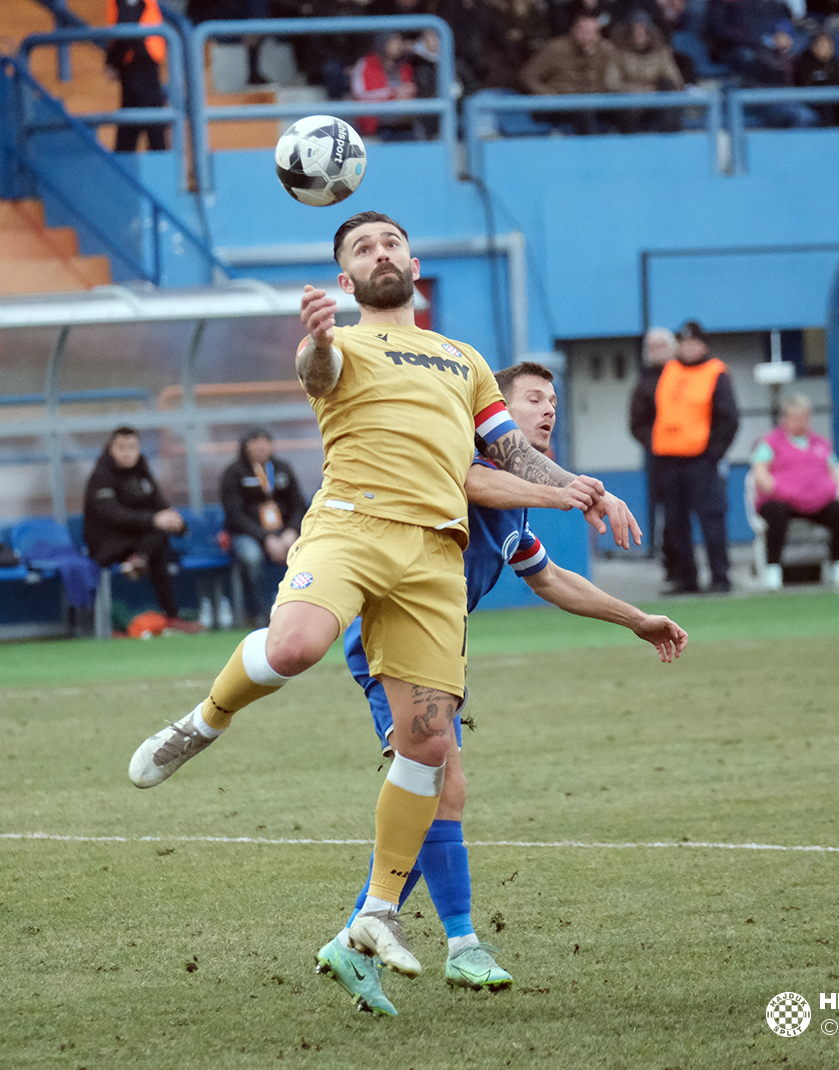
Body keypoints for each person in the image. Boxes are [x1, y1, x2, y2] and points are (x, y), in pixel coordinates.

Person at [127, 211, 637, 989]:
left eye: (391, 242)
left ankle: (379, 912)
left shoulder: (463, 359)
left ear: (415, 261)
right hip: (353, 523)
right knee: (295, 645)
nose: (381, 254)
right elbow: (316, 373)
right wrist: (321, 338)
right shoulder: (340, 344)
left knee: (429, 744)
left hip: (436, 554)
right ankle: (205, 720)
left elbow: (506, 449)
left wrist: (571, 488)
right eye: (362, 249)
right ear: (345, 280)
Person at [318, 361, 687, 1015]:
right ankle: (461, 946)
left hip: (436, 647)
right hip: (392, 637)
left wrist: (637, 619)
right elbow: (475, 482)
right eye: (532, 400)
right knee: (442, 783)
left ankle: (354, 940)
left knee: (433, 791)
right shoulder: (461, 458)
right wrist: (576, 492)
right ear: (493, 412)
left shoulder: (516, 497)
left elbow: (548, 578)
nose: (547, 411)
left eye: (553, 401)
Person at [631, 319, 738, 593]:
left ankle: (720, 577)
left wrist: (713, 453)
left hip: (701, 460)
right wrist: (654, 443)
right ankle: (685, 578)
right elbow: (643, 414)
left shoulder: (715, 372)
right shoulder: (667, 372)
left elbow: (728, 419)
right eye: (684, 343)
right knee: (675, 523)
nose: (689, 349)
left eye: (694, 343)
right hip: (668, 459)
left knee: (711, 519)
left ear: (703, 345)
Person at [83, 426, 198, 627]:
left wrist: (177, 523)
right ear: (111, 449)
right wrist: (154, 520)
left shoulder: (142, 470)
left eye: (132, 447)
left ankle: (170, 616)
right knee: (157, 536)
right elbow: (113, 514)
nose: (127, 452)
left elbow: (158, 502)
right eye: (121, 447)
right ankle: (170, 614)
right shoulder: (101, 476)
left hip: (138, 542)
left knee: (159, 544)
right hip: (106, 543)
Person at [748, 393, 839, 590]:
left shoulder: (820, 443)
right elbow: (760, 472)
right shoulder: (769, 443)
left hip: (816, 502)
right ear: (785, 418)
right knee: (776, 514)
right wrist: (779, 490)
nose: (801, 423)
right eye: (796, 418)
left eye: (805, 418)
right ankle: (773, 569)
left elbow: (834, 472)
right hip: (782, 500)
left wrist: (825, 491)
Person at [219, 427, 308, 625]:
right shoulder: (234, 473)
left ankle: (301, 612)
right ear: (245, 446)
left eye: (266, 441)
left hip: (285, 532)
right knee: (251, 557)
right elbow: (234, 514)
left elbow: (299, 505)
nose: (261, 446)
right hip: (247, 533)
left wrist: (292, 531)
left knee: (307, 555)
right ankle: (258, 613)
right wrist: (265, 538)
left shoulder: (283, 468)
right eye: (255, 441)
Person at [629, 325, 677, 580]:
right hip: (661, 459)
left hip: (697, 456)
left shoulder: (687, 376)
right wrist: (660, 441)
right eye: (653, 347)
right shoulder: (645, 383)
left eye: (662, 346)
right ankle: (675, 570)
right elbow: (637, 424)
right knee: (669, 516)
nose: (657, 352)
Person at [521, 12, 618, 134]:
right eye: (583, 31)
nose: (588, 36)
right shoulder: (555, 49)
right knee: (584, 112)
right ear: (575, 30)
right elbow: (528, 76)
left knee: (627, 111)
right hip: (561, 103)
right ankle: (588, 151)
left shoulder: (604, 50)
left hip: (595, 100)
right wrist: (549, 95)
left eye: (592, 33)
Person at [105, 0, 169, 152]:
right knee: (135, 127)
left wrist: (112, 61)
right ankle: (127, 170)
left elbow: (127, 22)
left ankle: (162, 171)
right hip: (136, 63)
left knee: (150, 128)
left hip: (139, 63)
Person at [605, 12, 685, 132]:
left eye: (642, 31)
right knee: (629, 113)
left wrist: (657, 89)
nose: (639, 34)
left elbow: (676, 80)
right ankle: (633, 147)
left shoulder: (661, 52)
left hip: (656, 99)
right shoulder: (618, 53)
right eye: (635, 31)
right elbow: (611, 83)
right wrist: (638, 91)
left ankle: (669, 145)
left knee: (671, 110)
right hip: (629, 101)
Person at [351, 34, 420, 139]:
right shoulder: (366, 63)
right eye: (393, 42)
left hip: (404, 122)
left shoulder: (405, 66)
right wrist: (392, 93)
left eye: (399, 41)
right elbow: (360, 94)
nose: (397, 45)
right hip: (377, 123)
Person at [794, 31, 839, 126]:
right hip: (814, 103)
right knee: (825, 110)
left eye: (829, 46)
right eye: (821, 46)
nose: (825, 49)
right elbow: (805, 86)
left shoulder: (837, 63)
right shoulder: (803, 63)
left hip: (838, 100)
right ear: (813, 47)